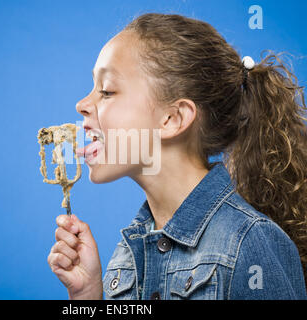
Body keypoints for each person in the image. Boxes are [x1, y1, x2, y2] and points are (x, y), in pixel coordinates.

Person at [47, 13, 307, 300]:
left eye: (107, 91)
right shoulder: (127, 256)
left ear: (172, 118)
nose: (82, 104)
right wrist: (87, 296)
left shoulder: (251, 243)